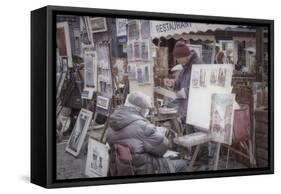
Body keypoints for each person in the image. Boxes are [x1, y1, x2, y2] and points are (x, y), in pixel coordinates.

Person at [106, 92, 188, 175]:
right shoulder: (142, 126)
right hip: (144, 169)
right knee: (183, 164)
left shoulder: (113, 123)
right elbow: (162, 150)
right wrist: (156, 131)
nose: (146, 113)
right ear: (139, 110)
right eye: (146, 110)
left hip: (124, 169)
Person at [171, 41, 202, 123]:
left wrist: (184, 92)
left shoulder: (197, 65)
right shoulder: (185, 67)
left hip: (195, 109)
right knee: (189, 135)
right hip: (185, 108)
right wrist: (172, 84)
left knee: (194, 135)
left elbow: (200, 87)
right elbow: (179, 83)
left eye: (178, 58)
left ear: (184, 56)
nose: (177, 61)